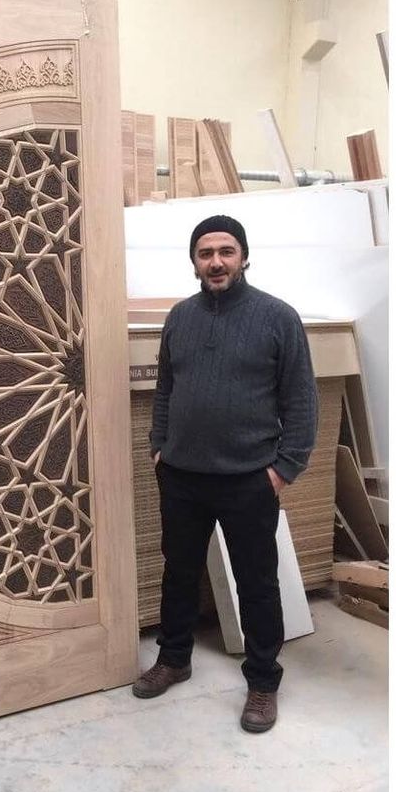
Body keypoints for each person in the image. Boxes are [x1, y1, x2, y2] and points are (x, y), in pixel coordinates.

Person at [133, 214, 318, 733]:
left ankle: (262, 683)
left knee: (257, 584)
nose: (215, 261)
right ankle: (174, 659)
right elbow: (165, 389)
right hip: (183, 477)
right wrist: (158, 449)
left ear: (244, 257)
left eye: (226, 251)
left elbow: (301, 401)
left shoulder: (278, 318)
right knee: (179, 573)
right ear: (194, 261)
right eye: (205, 252)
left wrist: (283, 469)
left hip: (248, 480)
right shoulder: (180, 317)